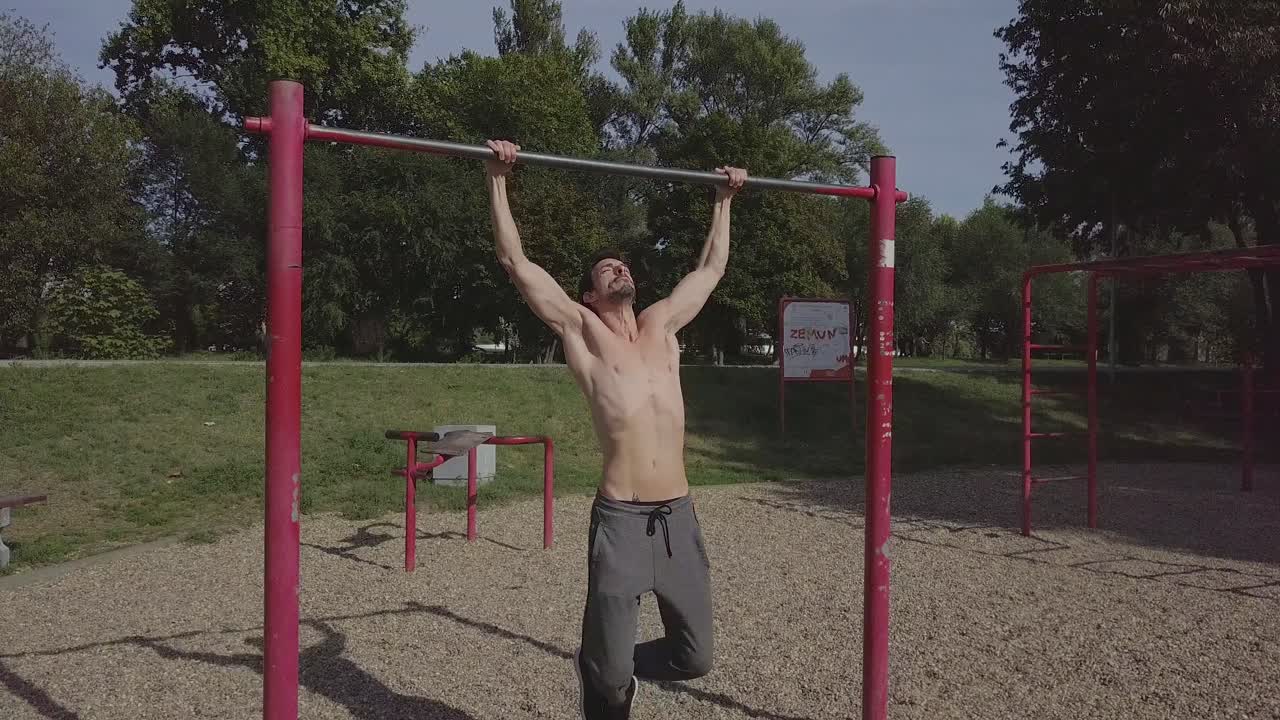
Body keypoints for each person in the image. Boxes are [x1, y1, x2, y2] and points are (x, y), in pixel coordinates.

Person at [483, 138, 746, 719]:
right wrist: (498, 179)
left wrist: (723, 201)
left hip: (678, 516)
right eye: (607, 268)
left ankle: (605, 663)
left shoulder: (664, 325)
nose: (620, 267)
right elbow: (516, 264)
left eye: (623, 263)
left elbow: (711, 268)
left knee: (695, 658)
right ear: (589, 294)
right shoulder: (582, 331)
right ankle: (606, 673)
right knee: (610, 679)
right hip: (622, 521)